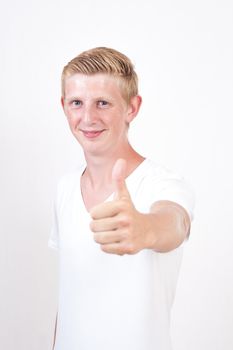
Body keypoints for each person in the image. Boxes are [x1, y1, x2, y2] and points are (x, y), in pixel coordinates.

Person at [49, 47, 194, 350]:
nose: (87, 117)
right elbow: (70, 298)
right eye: (77, 102)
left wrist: (145, 229)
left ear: (132, 107)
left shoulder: (162, 183)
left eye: (103, 103)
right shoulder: (64, 188)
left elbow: (175, 222)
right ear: (64, 106)